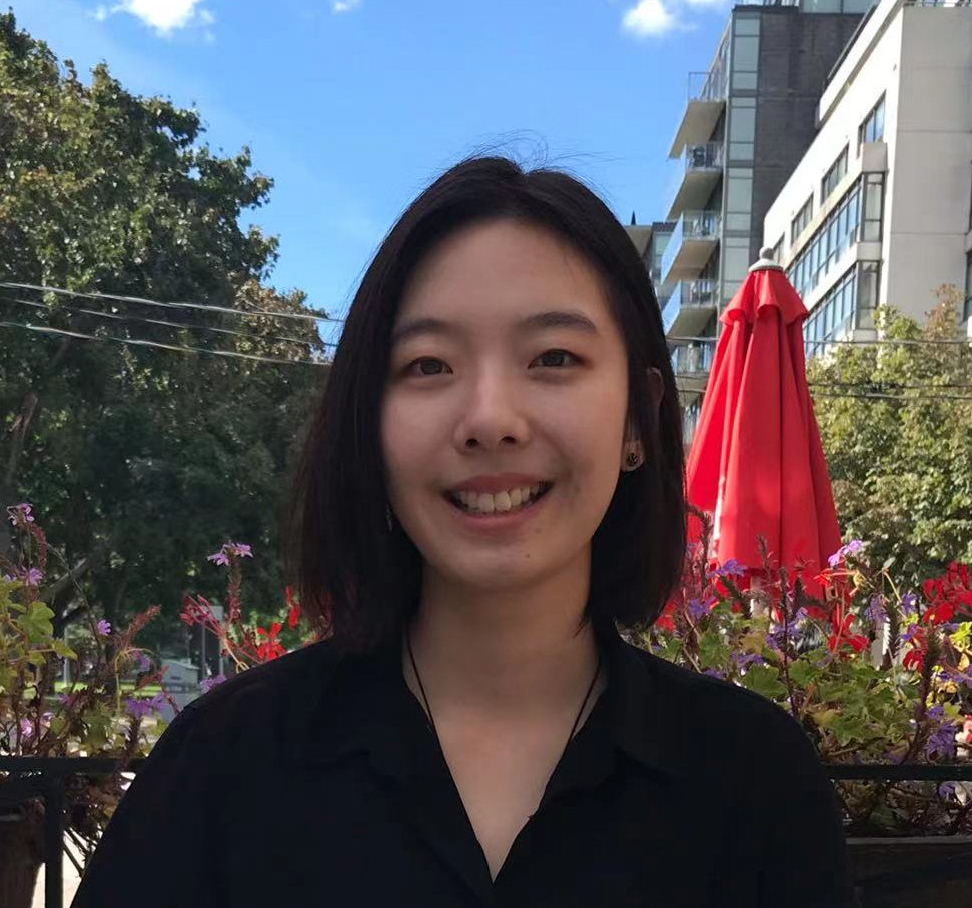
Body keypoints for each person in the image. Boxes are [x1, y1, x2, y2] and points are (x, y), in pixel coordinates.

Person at [73, 156, 853, 907]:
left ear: (638, 420)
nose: (488, 419)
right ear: (370, 426)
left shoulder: (754, 783)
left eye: (553, 357)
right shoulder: (224, 764)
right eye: (428, 365)